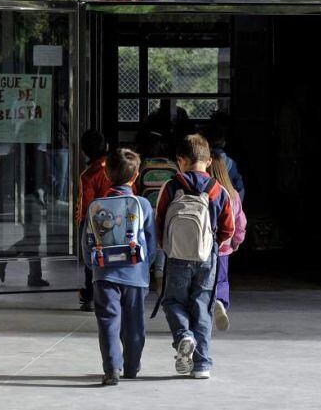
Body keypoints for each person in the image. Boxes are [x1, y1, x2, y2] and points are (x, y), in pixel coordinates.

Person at [153, 134, 235, 379]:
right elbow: (228, 228)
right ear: (208, 161)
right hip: (206, 256)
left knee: (172, 302)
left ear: (180, 160)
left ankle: (183, 336)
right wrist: (212, 244)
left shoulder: (170, 186)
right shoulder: (217, 190)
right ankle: (202, 365)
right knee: (202, 307)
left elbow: (158, 223)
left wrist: (167, 247)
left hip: (176, 256)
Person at [81, 148, 157, 386]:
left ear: (106, 174)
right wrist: (147, 267)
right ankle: (132, 366)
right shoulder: (142, 204)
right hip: (135, 276)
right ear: (135, 177)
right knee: (134, 323)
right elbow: (152, 243)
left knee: (108, 322)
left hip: (104, 275)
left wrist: (93, 267)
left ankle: (112, 368)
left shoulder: (96, 206)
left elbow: (86, 245)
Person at [207, 151, 247, 331]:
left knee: (203, 281)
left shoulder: (204, 192)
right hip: (224, 247)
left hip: (203, 247)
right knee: (221, 279)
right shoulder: (233, 194)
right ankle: (221, 301)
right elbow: (240, 221)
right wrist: (236, 240)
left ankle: (203, 308)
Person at [76, 130, 111, 312]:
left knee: (91, 261)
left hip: (95, 224)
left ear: (84, 151)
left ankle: (90, 295)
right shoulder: (116, 166)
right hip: (117, 221)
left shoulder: (88, 175)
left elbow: (87, 205)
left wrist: (81, 223)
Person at [204, 119, 245, 202]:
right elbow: (239, 187)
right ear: (224, 143)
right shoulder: (231, 163)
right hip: (229, 201)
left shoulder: (202, 162)